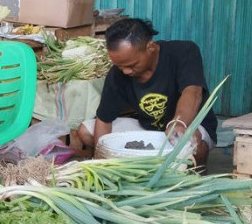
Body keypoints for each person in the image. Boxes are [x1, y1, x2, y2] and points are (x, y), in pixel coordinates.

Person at [77, 18, 217, 168]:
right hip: (148, 128)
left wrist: (179, 122)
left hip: (188, 124)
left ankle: (192, 179)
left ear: (151, 47)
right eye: (120, 66)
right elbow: (104, 120)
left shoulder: (183, 52)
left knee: (191, 142)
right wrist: (101, 161)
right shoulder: (118, 74)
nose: (126, 71)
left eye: (132, 65)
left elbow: (193, 92)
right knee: (86, 131)